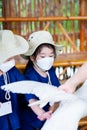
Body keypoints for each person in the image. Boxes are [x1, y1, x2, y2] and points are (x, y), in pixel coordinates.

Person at [20, 30, 63, 130]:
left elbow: (55, 91)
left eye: (51, 56)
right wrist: (42, 114)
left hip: (46, 116)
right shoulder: (29, 76)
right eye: (43, 56)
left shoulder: (50, 71)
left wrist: (50, 111)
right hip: (29, 119)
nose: (47, 59)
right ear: (32, 57)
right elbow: (32, 101)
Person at [0, 30, 29, 130]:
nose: (12, 61)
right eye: (8, 59)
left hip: (13, 116)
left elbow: (25, 85)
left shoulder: (12, 71)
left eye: (12, 58)